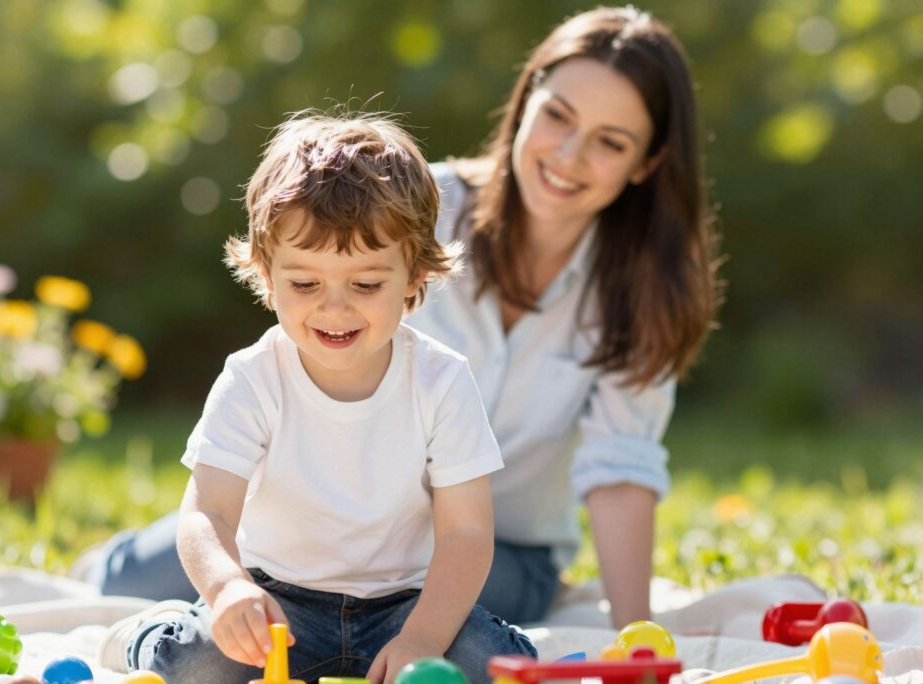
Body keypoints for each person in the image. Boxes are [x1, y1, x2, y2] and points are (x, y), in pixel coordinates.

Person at [82, 6, 720, 630]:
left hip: (492, 548)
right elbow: (299, 318)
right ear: (525, 103)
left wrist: (635, 632)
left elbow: (621, 467)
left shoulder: (639, 291)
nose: (570, 154)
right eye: (557, 115)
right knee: (137, 580)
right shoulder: (407, 212)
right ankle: (107, 567)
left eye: (611, 142)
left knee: (454, 604)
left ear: (647, 162)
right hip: (310, 527)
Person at [97, 113, 536, 684]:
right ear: (266, 275)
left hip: (405, 607)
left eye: (365, 285)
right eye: (305, 285)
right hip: (281, 606)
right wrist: (229, 591)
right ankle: (149, 633)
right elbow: (207, 515)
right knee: (196, 670)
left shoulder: (442, 380)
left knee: (488, 670)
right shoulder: (252, 378)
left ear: (414, 276)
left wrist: (425, 639)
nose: (335, 309)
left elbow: (466, 532)